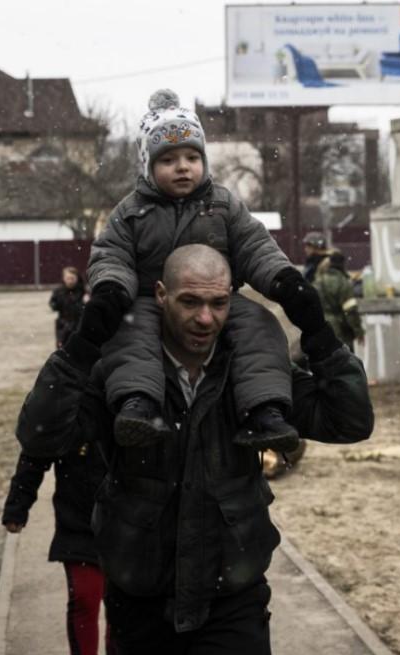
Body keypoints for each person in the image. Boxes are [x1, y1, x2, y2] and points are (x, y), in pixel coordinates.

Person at [16, 244, 373, 655]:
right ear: (162, 294)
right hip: (141, 605)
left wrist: (317, 331)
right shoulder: (122, 376)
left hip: (232, 603)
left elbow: (349, 421)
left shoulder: (254, 376)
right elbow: (41, 435)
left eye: (218, 303)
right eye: (190, 301)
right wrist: (82, 347)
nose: (206, 319)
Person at [85, 89, 330, 454]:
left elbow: (253, 245)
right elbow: (111, 253)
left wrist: (283, 279)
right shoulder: (132, 211)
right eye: (168, 159)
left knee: (260, 327)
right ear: (148, 167)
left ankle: (265, 410)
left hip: (218, 300)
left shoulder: (223, 204)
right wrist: (112, 288)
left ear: (204, 161)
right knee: (132, 334)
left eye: (191, 156)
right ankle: (138, 404)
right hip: (151, 300)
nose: (182, 166)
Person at [2, 444, 116, 655]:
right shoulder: (62, 408)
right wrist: (17, 504)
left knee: (122, 605)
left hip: (127, 520)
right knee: (85, 597)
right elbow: (36, 450)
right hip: (78, 519)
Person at [314, 250, 366, 353]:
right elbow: (350, 311)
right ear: (342, 264)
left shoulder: (318, 282)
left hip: (322, 330)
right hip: (341, 331)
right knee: (345, 363)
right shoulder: (344, 283)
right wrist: (358, 332)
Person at [50, 266, 88, 349]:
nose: (70, 281)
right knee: (63, 349)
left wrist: (86, 302)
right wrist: (56, 303)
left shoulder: (83, 291)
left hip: (79, 324)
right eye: (68, 278)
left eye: (72, 278)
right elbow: (53, 306)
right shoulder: (59, 291)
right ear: (64, 278)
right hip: (63, 325)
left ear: (77, 278)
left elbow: (85, 309)